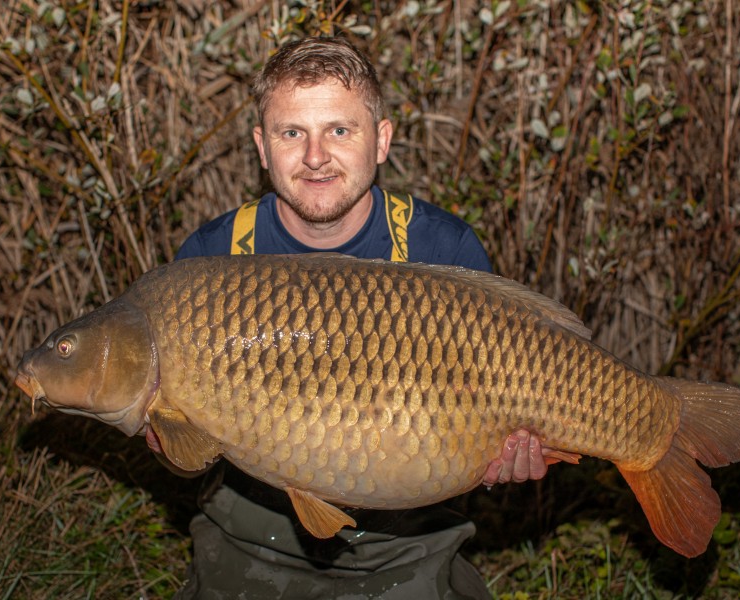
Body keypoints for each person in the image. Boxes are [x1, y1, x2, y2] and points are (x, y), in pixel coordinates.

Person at [156, 36, 550, 599]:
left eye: (340, 130)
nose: (316, 156)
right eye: (293, 133)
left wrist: (500, 455)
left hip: (409, 538)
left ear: (381, 139)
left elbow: (482, 433)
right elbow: (184, 462)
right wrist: (160, 426)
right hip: (251, 537)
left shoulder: (443, 248)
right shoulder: (210, 264)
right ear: (262, 148)